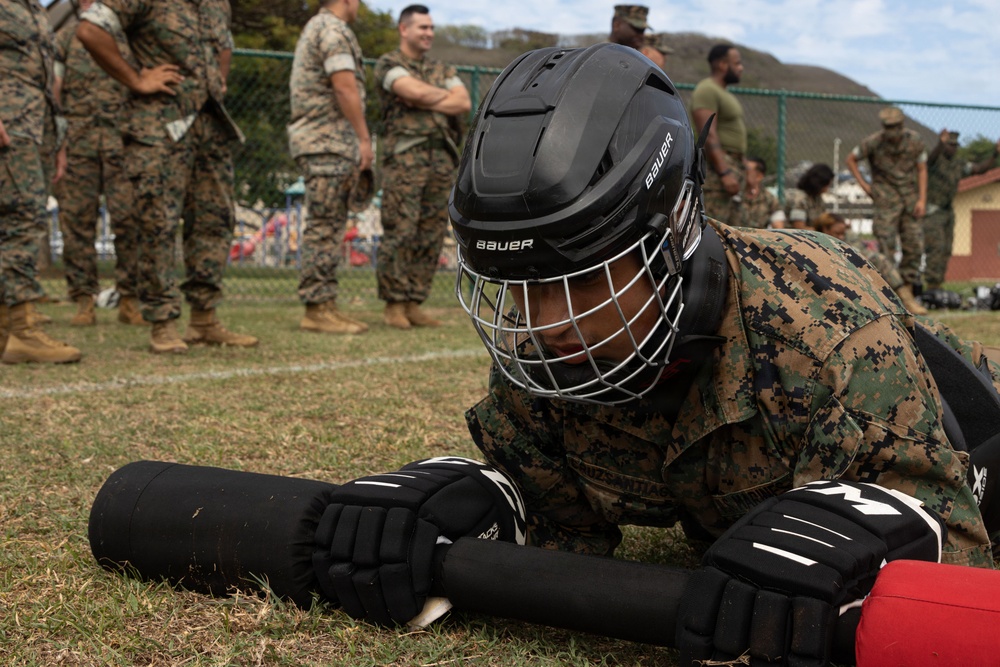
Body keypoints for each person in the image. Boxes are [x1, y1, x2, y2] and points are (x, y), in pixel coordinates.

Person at [311, 45, 1000, 666]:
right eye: (524, 287)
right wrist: (484, 503)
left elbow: (958, 555)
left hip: (960, 412)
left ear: (672, 237)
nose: (550, 322)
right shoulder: (557, 347)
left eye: (579, 278)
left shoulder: (826, 334)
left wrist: (885, 525)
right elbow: (561, 523)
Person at [77, 0, 259, 354]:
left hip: (209, 125)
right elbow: (89, 29)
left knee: (215, 220)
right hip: (157, 126)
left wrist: (218, 80)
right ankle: (162, 322)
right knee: (157, 222)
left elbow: (225, 43)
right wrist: (136, 78)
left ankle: (204, 319)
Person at [374, 5, 470, 329]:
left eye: (431, 28)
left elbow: (463, 102)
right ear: (404, 29)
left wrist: (424, 98)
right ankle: (394, 303)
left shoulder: (441, 66)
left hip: (441, 159)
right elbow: (408, 89)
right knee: (401, 228)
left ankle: (415, 301)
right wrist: (434, 96)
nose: (429, 33)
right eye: (422, 28)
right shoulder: (389, 63)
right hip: (404, 158)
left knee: (429, 233)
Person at [53, 0, 144, 328]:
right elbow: (55, 89)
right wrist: (57, 141)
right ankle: (83, 300)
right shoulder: (65, 38)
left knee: (130, 219)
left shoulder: (128, 37)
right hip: (78, 143)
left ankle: (130, 299)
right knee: (76, 222)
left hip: (123, 142)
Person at [1, 0, 81, 364]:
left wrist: (57, 138)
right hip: (9, 123)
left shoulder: (33, 8)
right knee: (18, 221)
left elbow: (44, 80)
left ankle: (16, 324)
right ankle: (19, 330)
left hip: (33, 126)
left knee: (26, 220)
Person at [287, 0, 373, 336]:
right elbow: (343, 85)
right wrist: (364, 139)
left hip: (326, 141)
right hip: (327, 141)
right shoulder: (333, 30)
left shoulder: (319, 27)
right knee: (324, 224)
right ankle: (317, 307)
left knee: (329, 222)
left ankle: (325, 304)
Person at [846, 106, 928, 315]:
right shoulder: (873, 142)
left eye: (895, 127)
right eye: (888, 127)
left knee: (914, 245)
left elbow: (922, 169)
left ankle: (908, 291)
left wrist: (921, 199)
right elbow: (851, 159)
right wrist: (866, 187)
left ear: (902, 125)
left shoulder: (915, 140)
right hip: (885, 201)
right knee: (885, 247)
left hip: (909, 200)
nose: (892, 131)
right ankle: (889, 296)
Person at [923, 130, 1000, 290]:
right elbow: (929, 160)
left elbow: (979, 169)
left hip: (947, 211)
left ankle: (938, 284)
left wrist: (995, 154)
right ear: (944, 146)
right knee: (935, 247)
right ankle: (931, 285)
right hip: (933, 211)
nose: (953, 149)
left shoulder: (958, 165)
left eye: (955, 146)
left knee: (947, 248)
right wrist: (939, 143)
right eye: (950, 145)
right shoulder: (936, 161)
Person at [690, 43, 746, 226]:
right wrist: (724, 173)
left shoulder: (723, 92)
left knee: (731, 231)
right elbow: (708, 134)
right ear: (722, 64)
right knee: (713, 228)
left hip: (731, 166)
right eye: (736, 63)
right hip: (717, 173)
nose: (741, 68)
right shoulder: (707, 89)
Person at [814, 211, 905, 291]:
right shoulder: (814, 242)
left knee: (879, 260)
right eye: (837, 233)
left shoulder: (847, 237)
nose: (841, 237)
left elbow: (860, 251)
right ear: (825, 229)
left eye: (843, 234)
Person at [739, 156, 785, 229]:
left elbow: (778, 227)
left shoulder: (770, 200)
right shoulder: (734, 194)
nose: (741, 173)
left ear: (759, 176)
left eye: (747, 170)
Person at [785, 162, 834, 230]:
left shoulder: (818, 199)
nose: (827, 189)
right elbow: (799, 228)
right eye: (827, 185)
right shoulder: (800, 200)